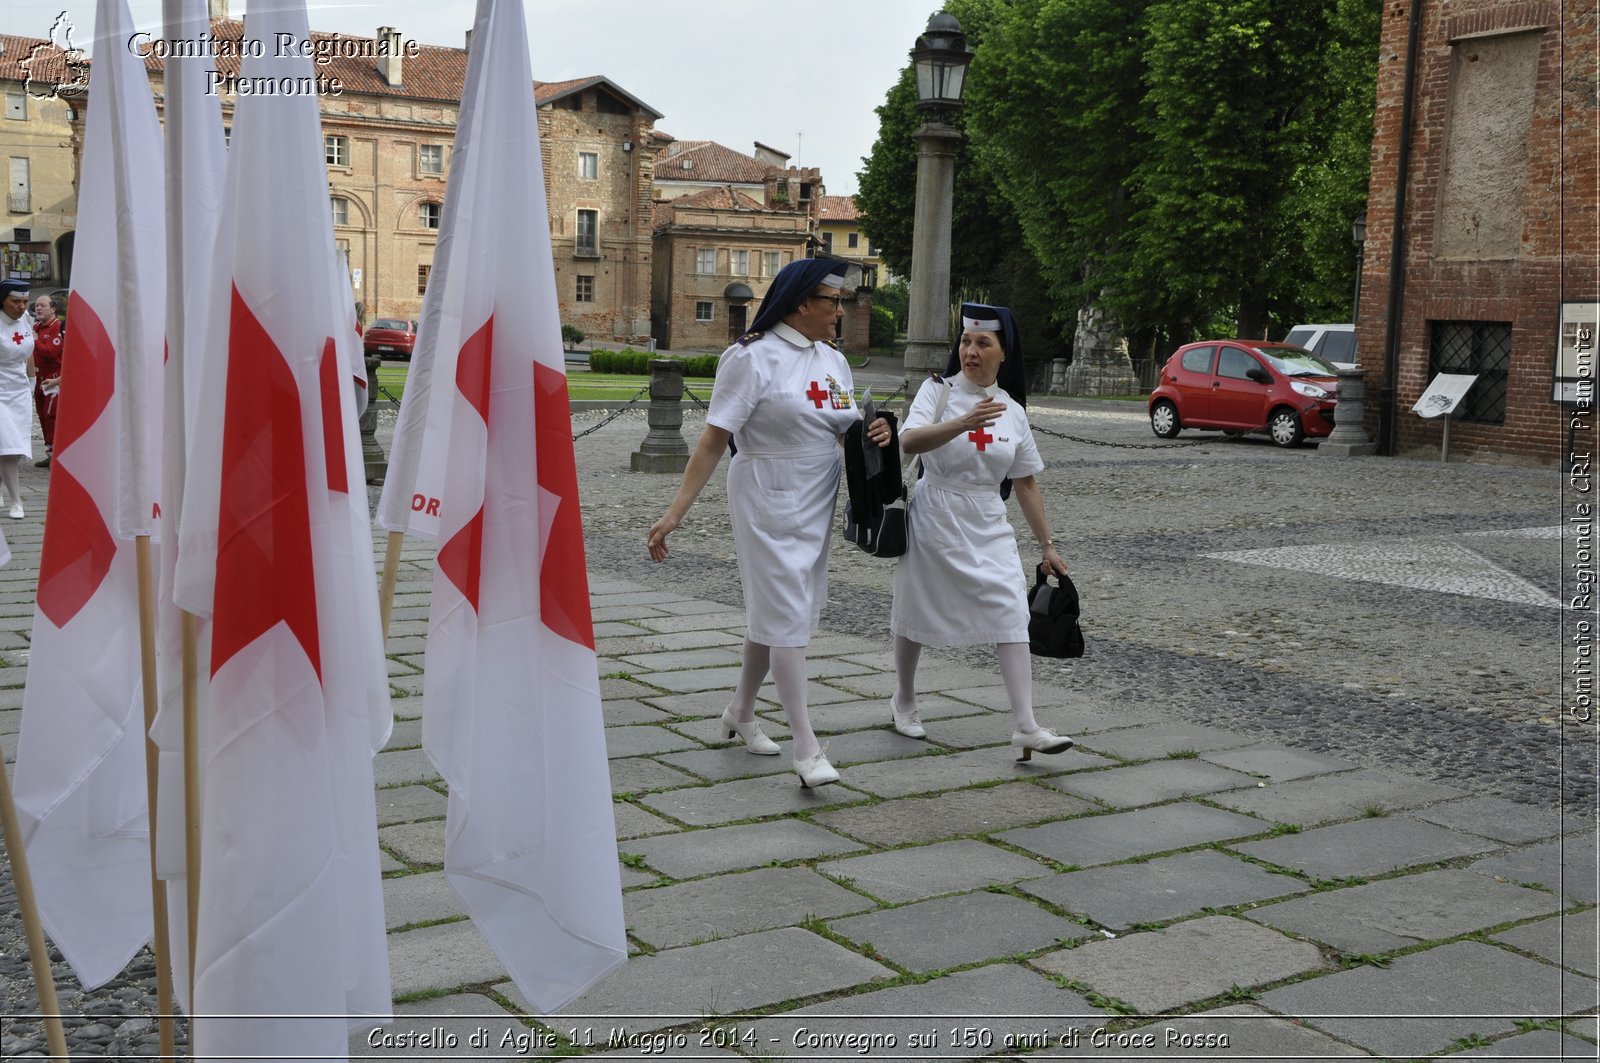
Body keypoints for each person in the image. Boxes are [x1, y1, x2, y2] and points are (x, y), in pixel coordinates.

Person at [647, 259, 891, 787]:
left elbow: (849, 426)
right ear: (803, 302)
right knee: (787, 613)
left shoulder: (832, 360)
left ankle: (739, 711)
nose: (841, 311)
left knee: (780, 608)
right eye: (834, 301)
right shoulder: (750, 358)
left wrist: (878, 434)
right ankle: (807, 747)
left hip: (816, 493)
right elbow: (714, 439)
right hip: (765, 492)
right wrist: (674, 514)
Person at [888, 302, 1073, 760]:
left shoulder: (1011, 410)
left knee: (1012, 610)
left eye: (982, 343)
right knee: (916, 609)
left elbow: (1026, 482)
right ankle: (904, 699)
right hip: (936, 512)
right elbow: (908, 441)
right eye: (966, 342)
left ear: (1003, 353)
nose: (971, 351)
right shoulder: (938, 392)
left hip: (988, 517)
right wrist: (961, 423)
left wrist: (1047, 546)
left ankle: (1026, 725)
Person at [0, 280, 35, 518]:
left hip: (20, 390)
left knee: (12, 444)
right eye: (15, 301)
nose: (21, 306)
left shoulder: (26, 319)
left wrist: (32, 381)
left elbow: (29, 352)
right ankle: (16, 501)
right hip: (0, 391)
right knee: (8, 446)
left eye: (25, 301)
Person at [30, 294, 63, 468]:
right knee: (42, 416)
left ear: (53, 308)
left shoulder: (56, 327)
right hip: (39, 378)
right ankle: (50, 451)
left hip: (53, 379)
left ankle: (57, 453)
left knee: (52, 416)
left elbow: (50, 351)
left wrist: (35, 339)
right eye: (36, 306)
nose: (39, 308)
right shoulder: (38, 327)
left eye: (43, 305)